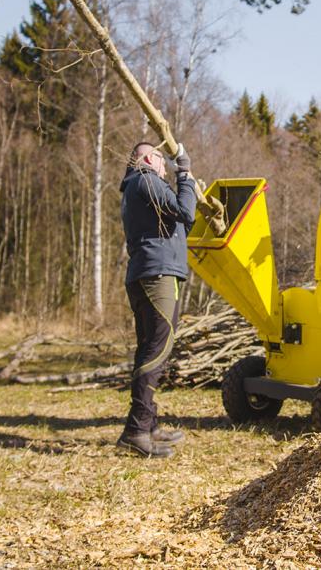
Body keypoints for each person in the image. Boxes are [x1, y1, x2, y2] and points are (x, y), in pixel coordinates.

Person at [117, 141, 196, 458]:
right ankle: (137, 431)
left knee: (149, 348)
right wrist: (186, 176)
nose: (165, 167)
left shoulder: (135, 187)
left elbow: (182, 222)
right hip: (157, 275)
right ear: (149, 158)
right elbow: (185, 211)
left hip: (145, 272)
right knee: (156, 351)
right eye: (162, 161)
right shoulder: (147, 179)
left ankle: (145, 425)